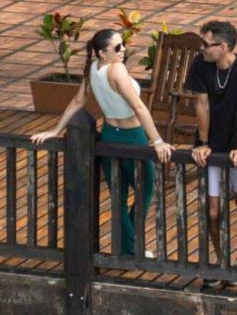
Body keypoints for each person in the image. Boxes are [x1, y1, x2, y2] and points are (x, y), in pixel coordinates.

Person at [32, 24, 171, 257]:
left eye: (123, 44)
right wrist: (157, 141)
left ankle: (128, 246)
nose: (123, 49)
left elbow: (78, 102)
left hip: (109, 134)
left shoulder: (93, 69)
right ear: (102, 53)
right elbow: (138, 106)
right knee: (146, 186)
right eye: (117, 47)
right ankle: (130, 247)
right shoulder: (116, 70)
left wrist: (56, 130)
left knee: (120, 193)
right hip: (131, 136)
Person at [186, 19, 237, 258]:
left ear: (224, 46)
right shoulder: (200, 64)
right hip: (213, 140)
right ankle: (221, 258)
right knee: (213, 211)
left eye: (207, 44)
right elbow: (202, 104)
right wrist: (203, 143)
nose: (202, 49)